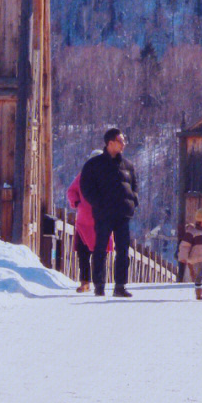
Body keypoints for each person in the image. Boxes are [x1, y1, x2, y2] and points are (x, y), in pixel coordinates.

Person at [79, 127, 139, 298]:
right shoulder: (93, 164)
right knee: (100, 250)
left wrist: (134, 200)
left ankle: (120, 286)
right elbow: (86, 188)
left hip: (123, 214)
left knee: (123, 250)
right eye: (121, 141)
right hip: (103, 214)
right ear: (110, 143)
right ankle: (99, 285)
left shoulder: (128, 165)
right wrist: (98, 204)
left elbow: (135, 185)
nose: (124, 144)